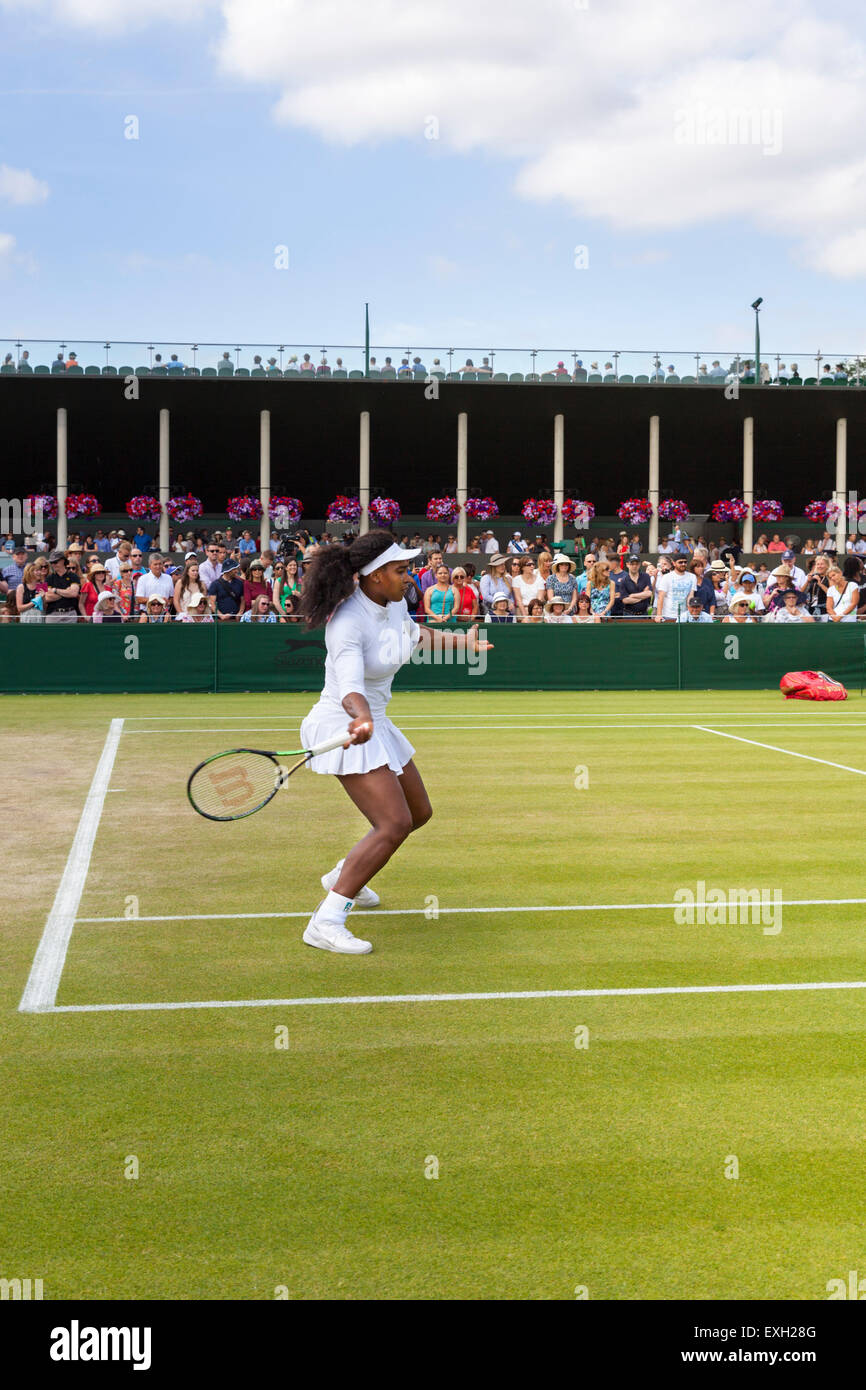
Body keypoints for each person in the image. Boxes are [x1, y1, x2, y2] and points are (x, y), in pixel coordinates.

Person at [297, 530, 492, 954]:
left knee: (418, 813)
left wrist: (465, 643)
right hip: (345, 721)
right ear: (372, 576)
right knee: (393, 824)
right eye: (400, 570)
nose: (409, 577)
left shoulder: (396, 604)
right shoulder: (347, 621)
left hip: (377, 722)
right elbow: (350, 688)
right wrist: (362, 718)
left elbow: (416, 637)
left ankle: (343, 874)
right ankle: (327, 918)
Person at [654, 553, 696, 621]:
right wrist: (659, 615)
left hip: (684, 616)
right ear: (674, 563)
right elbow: (660, 597)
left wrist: (690, 614)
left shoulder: (692, 577)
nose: (683, 564)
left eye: (685, 562)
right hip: (668, 615)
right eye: (680, 562)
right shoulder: (666, 577)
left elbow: (690, 596)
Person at [43, 550, 80, 623]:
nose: (53, 565)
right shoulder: (48, 578)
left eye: (55, 562)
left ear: (63, 561)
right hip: (52, 613)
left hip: (70, 613)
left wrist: (55, 590)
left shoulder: (74, 576)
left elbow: (74, 593)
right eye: (51, 563)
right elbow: (44, 597)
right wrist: (66, 592)